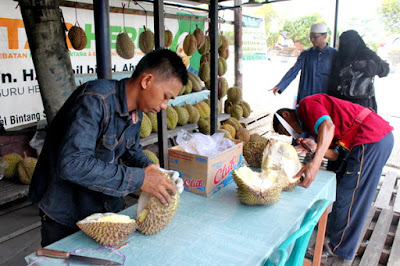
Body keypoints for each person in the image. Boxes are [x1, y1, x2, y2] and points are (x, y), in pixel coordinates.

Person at [28, 48, 188, 247]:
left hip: (100, 202)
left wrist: (152, 169)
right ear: (147, 81)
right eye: (165, 96)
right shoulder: (95, 100)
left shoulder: (135, 113)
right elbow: (73, 163)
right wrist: (141, 179)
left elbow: (131, 150)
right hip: (64, 206)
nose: (164, 105)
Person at [273, 93, 394, 261]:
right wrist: (316, 149)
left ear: (286, 115)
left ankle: (340, 247)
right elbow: (336, 155)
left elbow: (328, 126)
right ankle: (333, 227)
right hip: (364, 142)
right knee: (343, 188)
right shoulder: (312, 129)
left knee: (353, 195)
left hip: (371, 138)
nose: (289, 134)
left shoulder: (306, 105)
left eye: (284, 129)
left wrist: (315, 164)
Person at [270, 23, 337, 106]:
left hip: (325, 95)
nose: (312, 40)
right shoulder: (306, 54)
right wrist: (281, 85)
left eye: (315, 37)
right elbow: (294, 70)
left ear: (325, 36)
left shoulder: (335, 54)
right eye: (311, 37)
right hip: (307, 93)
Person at [328, 30, 390, 112]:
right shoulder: (339, 56)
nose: (345, 45)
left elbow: (384, 70)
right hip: (341, 101)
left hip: (361, 101)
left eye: (348, 42)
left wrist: (366, 65)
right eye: (343, 42)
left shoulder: (366, 54)